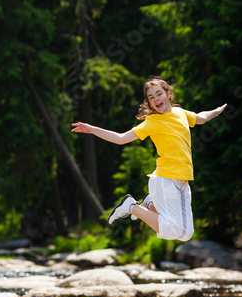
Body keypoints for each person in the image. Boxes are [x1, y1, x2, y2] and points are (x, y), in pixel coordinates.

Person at [71, 76, 227, 241]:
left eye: (158, 94)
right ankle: (131, 206)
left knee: (185, 234)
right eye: (151, 97)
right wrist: (93, 129)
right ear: (149, 103)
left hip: (183, 180)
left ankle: (150, 204)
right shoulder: (152, 122)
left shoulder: (180, 113)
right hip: (166, 179)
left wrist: (216, 111)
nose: (156, 99)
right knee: (175, 231)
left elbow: (200, 118)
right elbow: (121, 138)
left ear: (168, 94)